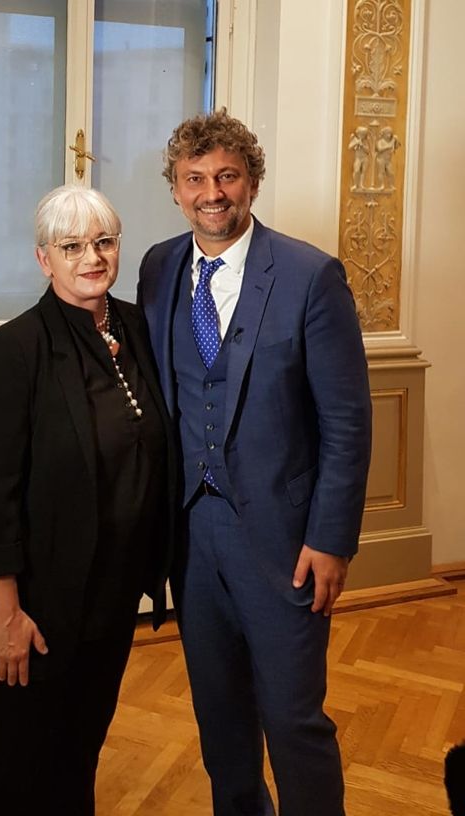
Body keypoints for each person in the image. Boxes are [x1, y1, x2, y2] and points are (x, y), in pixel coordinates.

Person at [138, 109, 372, 815]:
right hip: (191, 535)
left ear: (251, 183)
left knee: (293, 719)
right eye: (194, 179)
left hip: (283, 541)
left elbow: (345, 421)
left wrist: (330, 540)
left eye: (227, 176)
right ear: (176, 190)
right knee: (219, 718)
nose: (212, 192)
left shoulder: (308, 275)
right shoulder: (158, 267)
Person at [0, 184, 176, 816]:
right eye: (71, 246)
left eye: (103, 242)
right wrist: (5, 617)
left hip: (109, 594)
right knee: (3, 761)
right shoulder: (11, 353)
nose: (91, 258)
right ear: (44, 259)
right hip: (32, 608)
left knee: (77, 749)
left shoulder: (138, 328)